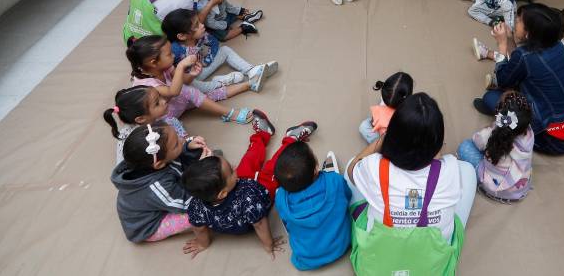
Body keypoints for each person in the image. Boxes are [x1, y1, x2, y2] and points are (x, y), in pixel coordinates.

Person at [346, 93, 477, 273]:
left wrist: (381, 141)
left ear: (392, 136)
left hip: (376, 269)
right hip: (432, 269)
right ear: (437, 141)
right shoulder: (451, 169)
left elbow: (352, 169)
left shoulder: (374, 166)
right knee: (468, 171)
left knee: (352, 166)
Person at [181, 113, 317, 259]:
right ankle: (291, 139)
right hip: (261, 187)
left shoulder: (195, 207)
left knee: (249, 157)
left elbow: (199, 228)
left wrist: (203, 244)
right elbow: (259, 224)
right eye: (231, 171)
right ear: (222, 193)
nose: (234, 166)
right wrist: (269, 244)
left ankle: (264, 133)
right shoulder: (249, 201)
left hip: (239, 184)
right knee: (276, 165)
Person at [472, 4, 564, 155]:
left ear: (529, 33)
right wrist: (509, 39)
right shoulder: (558, 46)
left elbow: (502, 79)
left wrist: (502, 44)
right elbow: (519, 62)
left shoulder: (525, 55)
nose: (516, 21)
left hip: (553, 140)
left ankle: (506, 123)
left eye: (520, 20)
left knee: (491, 98)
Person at [127, 36, 257, 133]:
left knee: (202, 95)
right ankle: (228, 113)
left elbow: (184, 80)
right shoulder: (146, 84)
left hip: (176, 103)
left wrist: (192, 74)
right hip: (164, 116)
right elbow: (173, 91)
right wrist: (181, 66)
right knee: (189, 92)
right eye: (169, 54)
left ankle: (248, 84)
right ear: (153, 62)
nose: (173, 55)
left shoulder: (164, 66)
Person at [111, 122, 209, 242]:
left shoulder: (149, 161)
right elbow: (186, 204)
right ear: (159, 164)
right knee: (201, 210)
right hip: (148, 227)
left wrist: (187, 147)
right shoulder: (156, 186)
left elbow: (176, 159)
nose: (182, 139)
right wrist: (201, 172)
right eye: (176, 144)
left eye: (177, 136)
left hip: (161, 200)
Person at [274, 136, 352, 271]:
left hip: (306, 260)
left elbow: (286, 222)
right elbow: (348, 196)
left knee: (286, 216)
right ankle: (327, 170)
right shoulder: (334, 180)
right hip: (342, 246)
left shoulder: (281, 197)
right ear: (315, 170)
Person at [162, 9, 273, 95]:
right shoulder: (174, 50)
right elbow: (172, 73)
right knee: (193, 87)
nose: (202, 25)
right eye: (196, 25)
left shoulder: (201, 35)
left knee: (225, 50)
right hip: (188, 78)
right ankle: (221, 82)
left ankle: (252, 70)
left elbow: (214, 44)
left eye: (199, 22)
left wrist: (206, 61)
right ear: (182, 36)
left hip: (201, 68)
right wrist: (188, 74)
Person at [457, 92, 533, 203]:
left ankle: (483, 178)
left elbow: (477, 140)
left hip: (493, 188)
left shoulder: (491, 133)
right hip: (519, 188)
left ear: (499, 115)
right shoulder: (529, 134)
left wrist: (490, 128)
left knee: (465, 147)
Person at [358, 72, 414, 143]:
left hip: (385, 141)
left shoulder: (379, 111)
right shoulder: (411, 110)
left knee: (363, 126)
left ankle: (379, 148)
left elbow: (373, 122)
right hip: (399, 144)